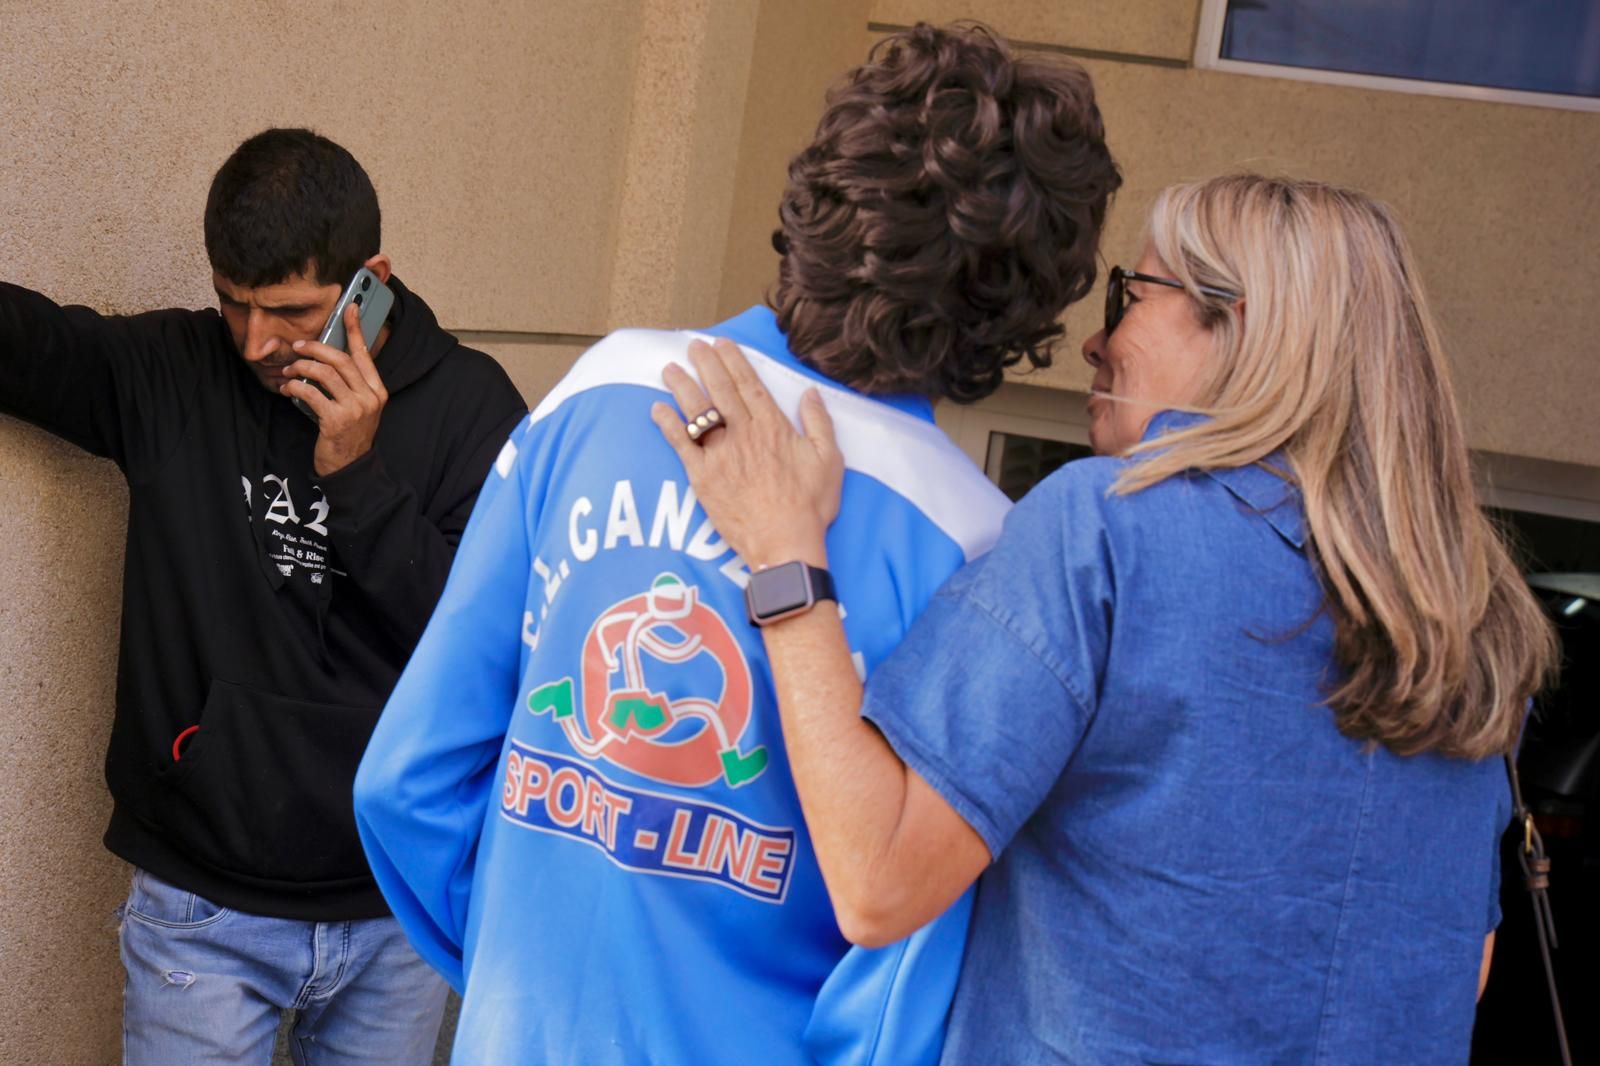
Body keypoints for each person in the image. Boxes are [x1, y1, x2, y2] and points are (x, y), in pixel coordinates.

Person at [652, 173, 1558, 1064]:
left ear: (1237, 322)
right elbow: (1460, 968)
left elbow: (880, 879)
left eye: (1131, 293)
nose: (1094, 339)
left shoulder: (1108, 527)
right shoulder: (1464, 614)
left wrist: (781, 552)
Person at [353, 22, 1120, 1065]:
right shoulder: (976, 544)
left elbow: (405, 780)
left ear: (820, 188)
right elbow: (900, 975)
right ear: (1026, 299)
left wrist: (517, 986)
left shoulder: (601, 391)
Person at [0, 128, 527, 1064]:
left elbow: (481, 641)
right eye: (232, 304)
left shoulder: (472, 408)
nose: (256, 342)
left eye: (289, 311)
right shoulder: (175, 374)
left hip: (395, 905)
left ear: (373, 279)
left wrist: (358, 481)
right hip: (203, 907)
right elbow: (26, 344)